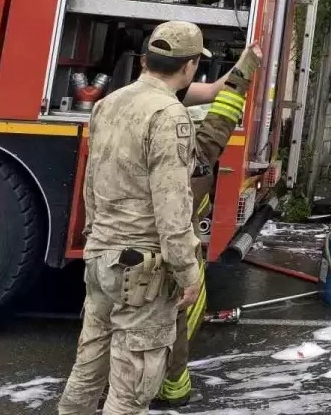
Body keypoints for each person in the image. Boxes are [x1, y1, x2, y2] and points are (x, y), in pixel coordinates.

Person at [57, 22, 208, 415]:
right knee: (131, 389)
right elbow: (172, 208)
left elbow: (91, 183)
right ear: (189, 67)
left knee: (88, 367)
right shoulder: (170, 116)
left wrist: (95, 236)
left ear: (145, 60)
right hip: (142, 271)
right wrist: (187, 272)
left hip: (101, 257)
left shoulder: (109, 102)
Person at [156, 43, 263, 409]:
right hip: (165, 253)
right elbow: (221, 115)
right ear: (188, 66)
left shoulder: (116, 108)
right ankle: (170, 388)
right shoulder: (195, 157)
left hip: (114, 252)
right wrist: (246, 69)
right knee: (183, 308)